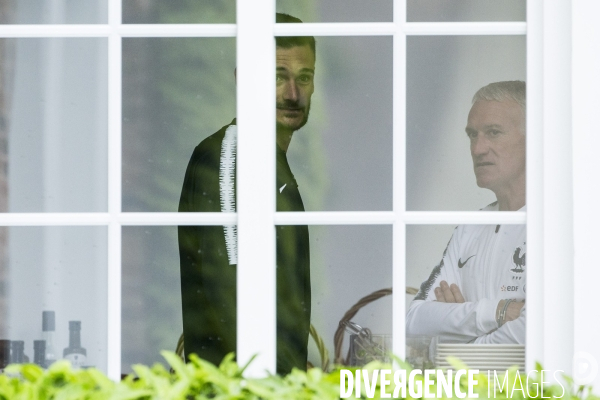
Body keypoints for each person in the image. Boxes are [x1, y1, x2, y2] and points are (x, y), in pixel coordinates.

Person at [178, 13, 315, 374]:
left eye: (304, 78)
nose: (293, 94)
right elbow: (227, 293)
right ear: (244, 81)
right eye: (277, 77)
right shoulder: (226, 157)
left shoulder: (270, 162)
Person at [406, 81, 527, 344]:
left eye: (493, 132)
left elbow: (536, 333)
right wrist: (498, 311)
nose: (477, 149)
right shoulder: (470, 228)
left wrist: (457, 333)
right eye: (472, 135)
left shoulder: (560, 225)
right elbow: (414, 324)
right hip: (470, 385)